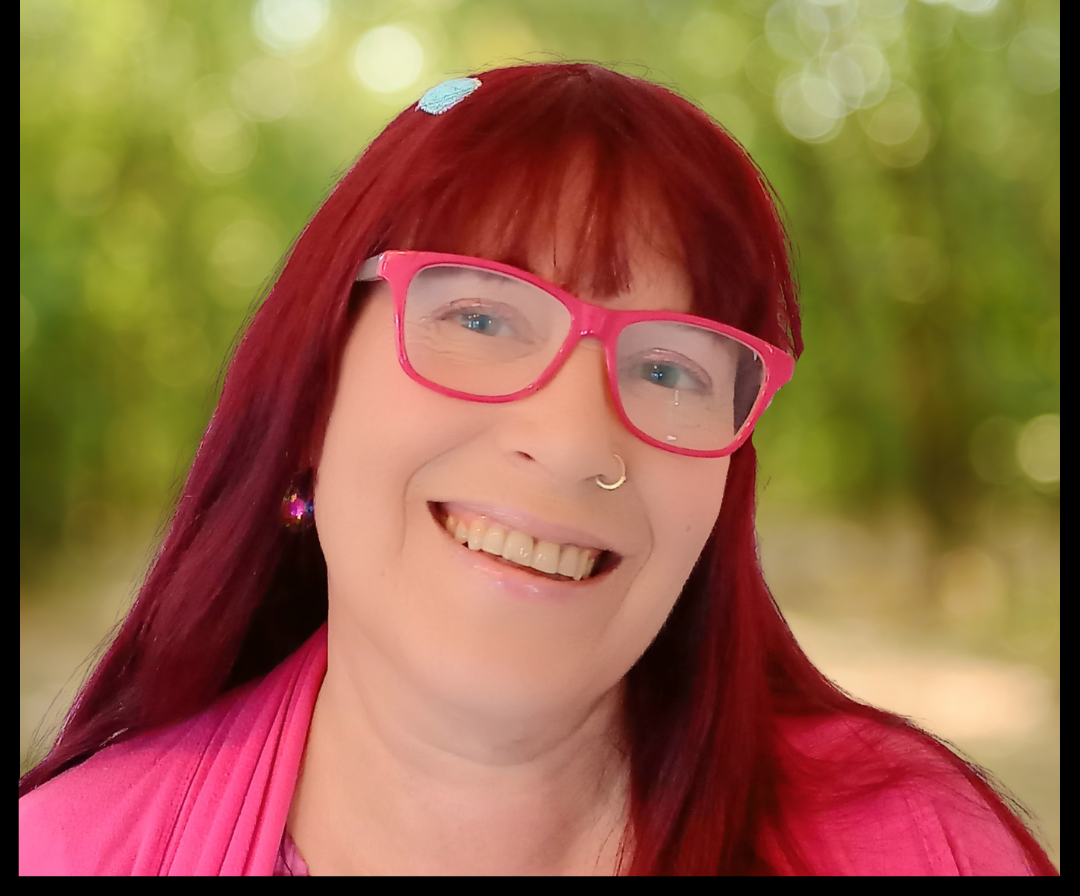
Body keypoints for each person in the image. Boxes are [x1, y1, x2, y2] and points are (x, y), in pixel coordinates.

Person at [19, 63, 1056, 876]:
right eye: (478, 316)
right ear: (311, 398)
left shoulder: (921, 848)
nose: (571, 441)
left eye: (669, 368)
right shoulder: (60, 855)